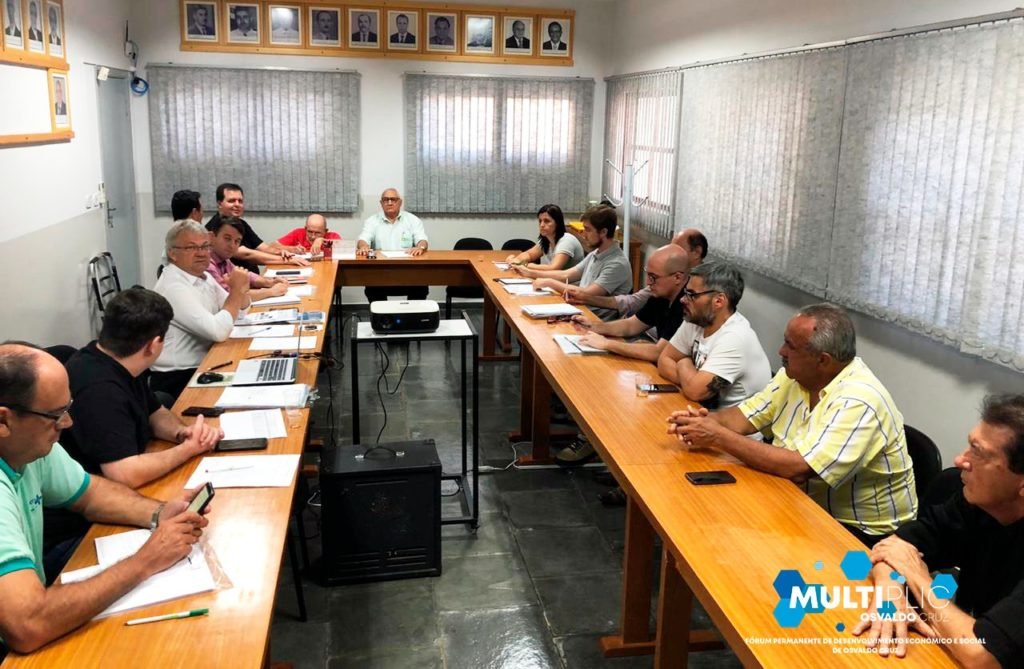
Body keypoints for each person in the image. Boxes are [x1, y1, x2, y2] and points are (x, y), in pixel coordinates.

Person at [0, 343, 208, 653]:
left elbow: (90, 494)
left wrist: (159, 512)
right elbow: (28, 625)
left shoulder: (29, 448)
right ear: (4, 421)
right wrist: (145, 561)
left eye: (67, 408)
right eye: (55, 415)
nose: (67, 423)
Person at [667, 303, 918, 545]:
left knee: (732, 538)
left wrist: (717, 436)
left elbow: (799, 468)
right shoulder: (796, 377)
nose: (781, 352)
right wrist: (697, 422)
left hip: (862, 534)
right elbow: (741, 419)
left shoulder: (859, 400)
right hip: (800, 503)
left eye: (791, 345)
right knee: (708, 520)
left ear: (823, 360)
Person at [853, 394, 1024, 666]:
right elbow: (893, 547)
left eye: (978, 453)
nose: (960, 460)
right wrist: (890, 591)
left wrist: (916, 577)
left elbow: (982, 656)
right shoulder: (979, 503)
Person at [60, 288, 222, 489]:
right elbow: (125, 474)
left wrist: (182, 433)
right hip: (98, 495)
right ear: (153, 345)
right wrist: (188, 449)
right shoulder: (100, 391)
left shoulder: (117, 358)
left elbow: (154, 412)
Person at [150, 220, 251, 400]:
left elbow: (240, 313)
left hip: (207, 363)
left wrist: (241, 288)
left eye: (205, 246)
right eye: (191, 248)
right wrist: (236, 291)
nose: (202, 253)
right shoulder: (173, 287)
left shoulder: (201, 276)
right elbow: (218, 331)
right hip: (178, 377)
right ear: (172, 253)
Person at [656, 262, 772, 409]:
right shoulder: (696, 318)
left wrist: (683, 362)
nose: (683, 299)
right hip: (701, 410)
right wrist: (691, 379)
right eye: (685, 293)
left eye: (692, 295)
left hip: (734, 421)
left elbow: (695, 392)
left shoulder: (735, 338)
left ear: (718, 301)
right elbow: (664, 361)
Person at [572, 244, 690, 363]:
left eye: (653, 277)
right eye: (648, 275)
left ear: (677, 277)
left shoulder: (687, 303)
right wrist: (593, 326)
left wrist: (607, 344)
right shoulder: (661, 295)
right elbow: (631, 325)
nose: (648, 282)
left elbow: (660, 352)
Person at [513, 204, 633, 321]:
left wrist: (549, 282)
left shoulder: (617, 263)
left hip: (596, 321)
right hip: (579, 311)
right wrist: (530, 273)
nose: (583, 234)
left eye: (588, 230)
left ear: (603, 232)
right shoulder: (595, 254)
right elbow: (567, 274)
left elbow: (587, 294)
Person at [566, 228, 707, 319]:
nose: (649, 282)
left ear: (697, 252)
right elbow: (633, 311)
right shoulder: (660, 289)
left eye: (677, 247)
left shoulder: (698, 289)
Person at [204, 183, 307, 273]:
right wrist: (286, 260)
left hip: (252, 278)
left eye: (240, 201)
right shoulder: (213, 227)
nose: (237, 204)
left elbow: (264, 248)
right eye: (232, 201)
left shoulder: (241, 223)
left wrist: (282, 252)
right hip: (236, 282)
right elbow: (246, 254)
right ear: (219, 204)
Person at [356, 188, 429, 303]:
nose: (389, 203)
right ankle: (381, 314)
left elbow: (422, 240)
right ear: (381, 203)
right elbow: (363, 239)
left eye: (393, 199)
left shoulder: (412, 220)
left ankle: (412, 314)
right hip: (381, 271)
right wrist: (363, 246)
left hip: (408, 270)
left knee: (421, 285)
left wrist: (420, 247)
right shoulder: (372, 221)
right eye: (386, 200)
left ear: (400, 202)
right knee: (372, 286)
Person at [208, 217, 289, 302]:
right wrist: (271, 292)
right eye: (227, 239)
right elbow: (229, 295)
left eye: (237, 241)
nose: (232, 246)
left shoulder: (223, 258)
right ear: (211, 237)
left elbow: (245, 275)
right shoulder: (207, 263)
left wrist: (269, 282)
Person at [504, 204, 584, 272]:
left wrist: (522, 264)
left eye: (546, 221)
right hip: (549, 281)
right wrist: (516, 260)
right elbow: (529, 254)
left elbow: (553, 268)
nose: (542, 225)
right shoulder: (546, 239)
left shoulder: (566, 241)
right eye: (540, 221)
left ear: (557, 223)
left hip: (568, 284)